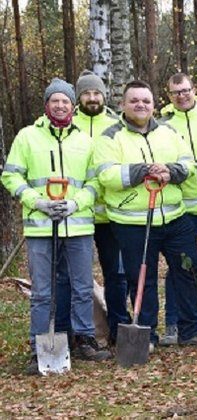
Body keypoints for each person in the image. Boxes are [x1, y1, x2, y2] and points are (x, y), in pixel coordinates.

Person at [1, 78, 111, 374]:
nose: (60, 105)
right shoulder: (27, 137)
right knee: (43, 291)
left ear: (72, 106)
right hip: (40, 227)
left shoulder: (85, 141)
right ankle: (40, 346)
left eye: (65, 101)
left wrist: (76, 203)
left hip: (77, 226)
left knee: (82, 285)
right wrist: (36, 201)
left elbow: (95, 182)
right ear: (46, 104)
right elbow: (11, 176)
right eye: (55, 100)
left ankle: (84, 339)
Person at [93, 80, 197, 350]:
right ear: (123, 105)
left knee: (189, 268)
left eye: (146, 100)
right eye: (134, 100)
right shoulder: (110, 137)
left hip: (174, 218)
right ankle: (146, 335)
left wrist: (171, 171)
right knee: (141, 279)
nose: (140, 105)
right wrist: (144, 170)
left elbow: (188, 163)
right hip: (133, 222)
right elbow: (107, 176)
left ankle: (191, 329)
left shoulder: (168, 132)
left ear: (154, 104)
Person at [55, 70, 129, 347]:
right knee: (75, 277)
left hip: (111, 214)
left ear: (104, 95)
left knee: (117, 274)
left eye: (96, 92)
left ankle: (119, 326)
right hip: (77, 214)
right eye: (86, 93)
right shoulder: (67, 123)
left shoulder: (116, 124)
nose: (92, 97)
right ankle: (78, 332)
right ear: (78, 96)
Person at [158, 73, 197, 346]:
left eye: (185, 90)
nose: (181, 96)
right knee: (181, 266)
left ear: (195, 90)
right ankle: (174, 323)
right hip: (183, 207)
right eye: (175, 92)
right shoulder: (163, 126)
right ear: (169, 96)